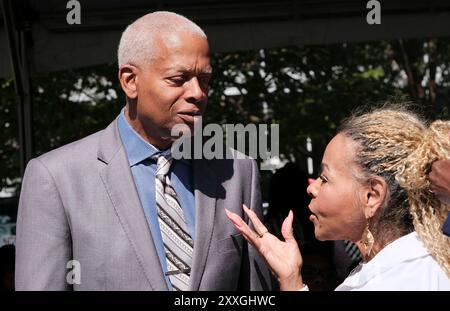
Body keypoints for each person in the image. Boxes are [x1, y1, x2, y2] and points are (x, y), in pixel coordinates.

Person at [15, 11, 271, 291]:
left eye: (205, 80)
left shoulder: (236, 171)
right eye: (178, 79)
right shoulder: (57, 178)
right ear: (130, 81)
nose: (197, 92)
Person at [226, 105, 450, 290]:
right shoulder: (419, 264)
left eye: (325, 178)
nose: (312, 189)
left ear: (371, 196)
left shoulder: (389, 281)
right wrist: (292, 279)